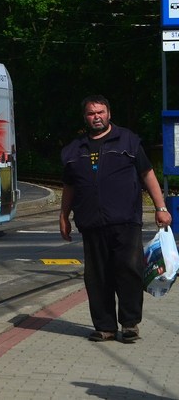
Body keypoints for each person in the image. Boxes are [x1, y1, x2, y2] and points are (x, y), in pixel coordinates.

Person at [59, 95, 173, 343]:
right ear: (85, 117)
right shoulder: (73, 150)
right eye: (91, 113)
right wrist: (63, 215)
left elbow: (147, 174)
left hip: (125, 220)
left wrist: (161, 207)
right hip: (91, 223)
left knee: (129, 270)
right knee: (97, 276)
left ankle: (130, 323)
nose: (96, 117)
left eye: (100, 112)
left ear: (109, 113)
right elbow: (69, 186)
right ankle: (105, 327)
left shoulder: (128, 141)